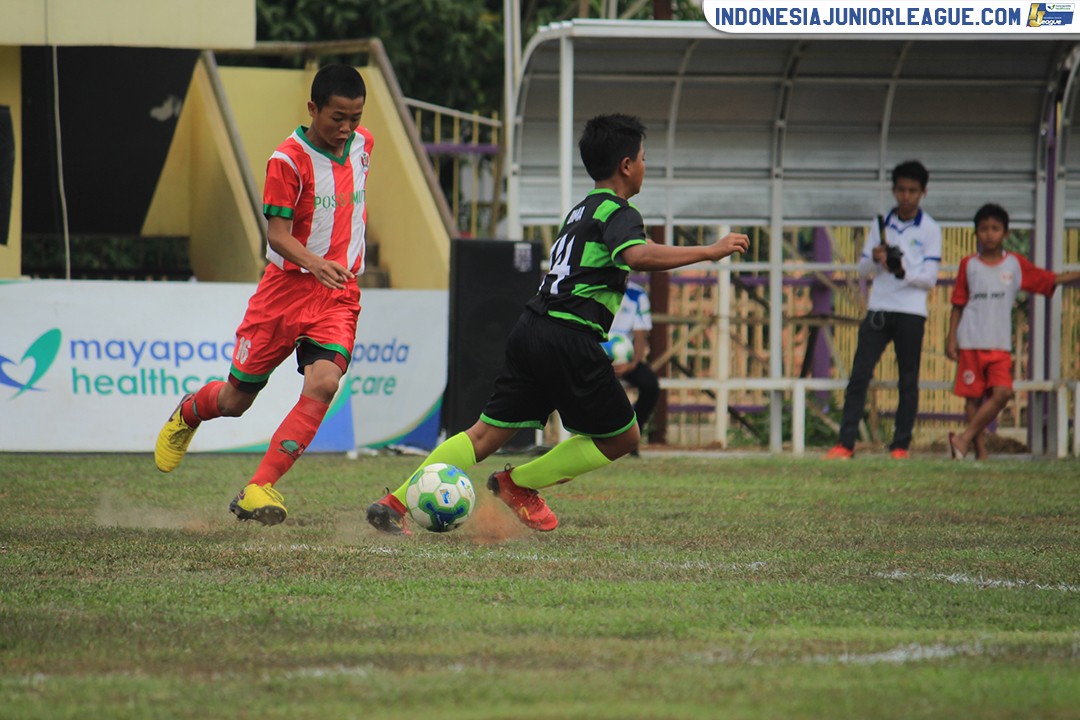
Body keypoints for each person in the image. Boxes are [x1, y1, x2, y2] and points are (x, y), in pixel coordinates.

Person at [367, 113, 749, 534]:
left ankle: (394, 502)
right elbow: (637, 255)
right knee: (623, 437)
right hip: (569, 335)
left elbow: (631, 249)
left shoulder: (582, 210)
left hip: (531, 328)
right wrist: (709, 251)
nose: (645, 166)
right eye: (643, 158)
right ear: (626, 166)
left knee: (483, 435)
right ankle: (518, 484)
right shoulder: (620, 211)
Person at [154, 64, 374, 525]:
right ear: (312, 108)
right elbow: (276, 235)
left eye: (355, 118)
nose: (346, 128)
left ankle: (259, 486)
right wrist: (315, 263)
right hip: (284, 293)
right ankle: (190, 412)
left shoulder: (363, 146)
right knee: (235, 402)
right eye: (337, 117)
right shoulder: (288, 160)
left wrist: (333, 267)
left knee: (324, 382)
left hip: (338, 295)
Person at [824, 160, 942, 460]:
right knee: (859, 375)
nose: (906, 196)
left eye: (912, 191)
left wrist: (903, 271)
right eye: (901, 190)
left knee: (908, 379)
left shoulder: (930, 229)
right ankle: (845, 443)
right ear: (893, 190)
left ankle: (900, 445)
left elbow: (929, 279)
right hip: (880, 306)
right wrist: (876, 257)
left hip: (911, 311)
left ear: (923, 192)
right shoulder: (880, 225)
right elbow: (862, 270)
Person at [945, 203, 1080, 460]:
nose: (989, 234)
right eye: (984, 229)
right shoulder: (968, 265)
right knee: (973, 399)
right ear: (976, 233)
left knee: (1003, 393)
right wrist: (951, 339)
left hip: (999, 343)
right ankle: (979, 453)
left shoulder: (1014, 265)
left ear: (1005, 233)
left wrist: (1073, 275)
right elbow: (958, 303)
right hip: (971, 340)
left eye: (995, 228)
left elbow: (1047, 279)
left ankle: (963, 439)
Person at [608, 279, 660, 456]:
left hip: (626, 359)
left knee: (650, 384)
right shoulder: (593, 289)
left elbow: (640, 334)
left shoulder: (637, 294)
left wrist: (633, 364)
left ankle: (634, 434)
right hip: (595, 357)